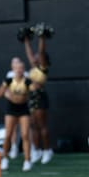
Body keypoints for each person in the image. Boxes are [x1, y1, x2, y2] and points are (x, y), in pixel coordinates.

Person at [0, 57, 34, 172]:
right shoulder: (8, 81)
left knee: (25, 135)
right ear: (13, 69)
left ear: (24, 69)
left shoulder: (27, 81)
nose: (19, 70)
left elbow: (34, 90)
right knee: (8, 135)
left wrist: (34, 87)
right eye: (17, 68)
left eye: (21, 68)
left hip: (23, 109)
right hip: (11, 109)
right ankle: (5, 158)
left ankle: (27, 160)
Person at [22, 25, 54, 164]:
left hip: (40, 97)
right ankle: (37, 150)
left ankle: (47, 150)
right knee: (33, 125)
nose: (34, 56)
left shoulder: (43, 67)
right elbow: (30, 54)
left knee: (42, 126)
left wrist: (41, 37)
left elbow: (41, 51)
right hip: (31, 97)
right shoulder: (34, 67)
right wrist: (26, 40)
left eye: (37, 56)